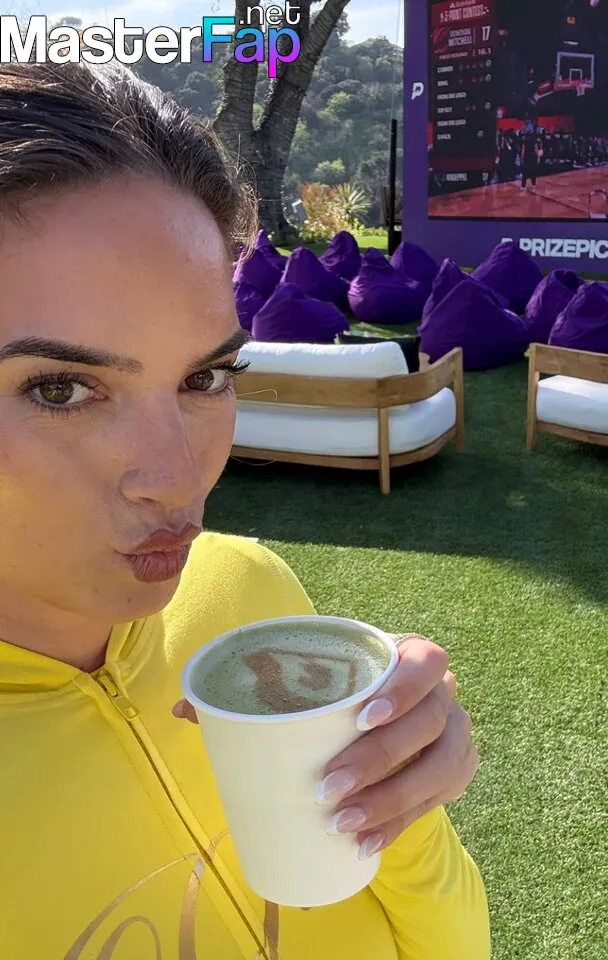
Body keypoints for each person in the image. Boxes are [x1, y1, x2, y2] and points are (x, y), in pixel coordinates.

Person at [0, 61, 490, 960]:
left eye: (206, 377)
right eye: (59, 388)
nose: (176, 478)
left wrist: (404, 811)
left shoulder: (245, 593)